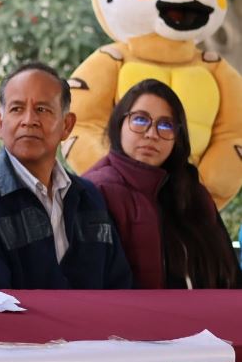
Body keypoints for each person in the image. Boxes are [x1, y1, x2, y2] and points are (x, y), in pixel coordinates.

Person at [0, 63, 132, 289]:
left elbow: (120, 290)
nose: (29, 120)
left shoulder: (90, 199)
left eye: (42, 109)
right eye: (17, 109)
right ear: (0, 123)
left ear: (67, 125)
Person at [84, 79, 239, 289]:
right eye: (140, 120)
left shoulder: (193, 191)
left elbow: (231, 274)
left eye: (166, 125)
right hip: (136, 311)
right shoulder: (97, 190)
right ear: (119, 123)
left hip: (210, 310)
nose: (151, 134)